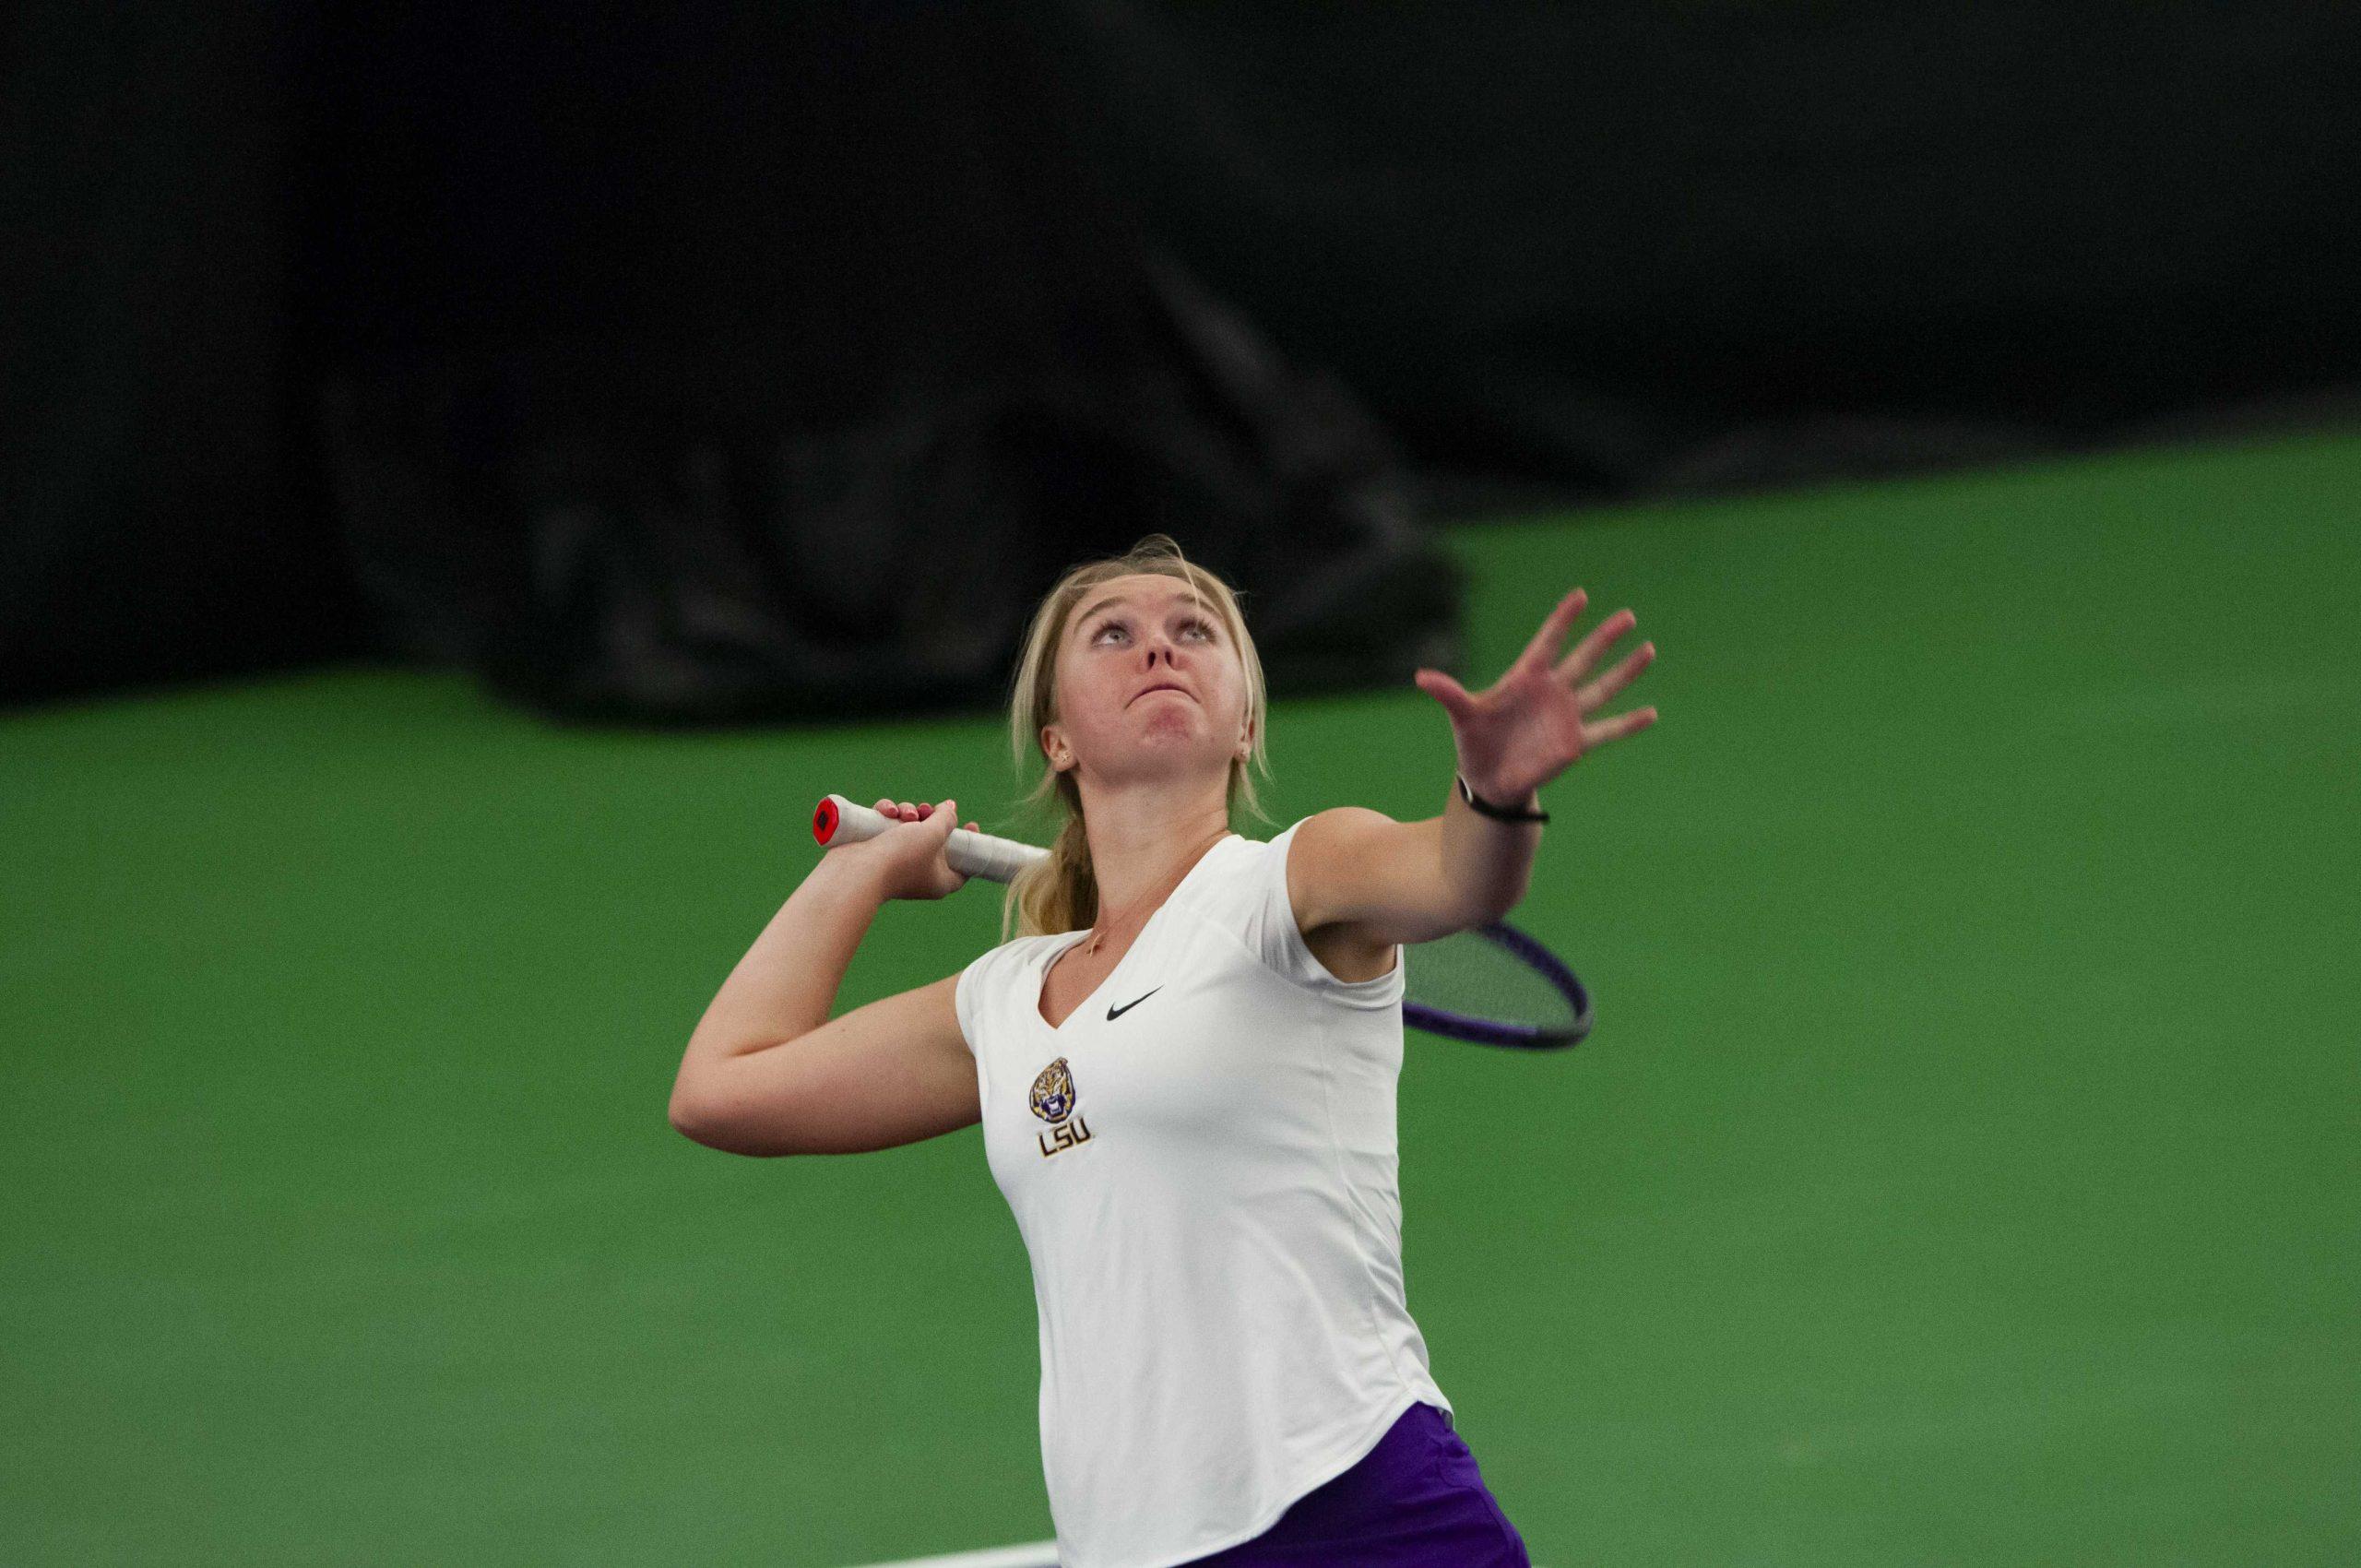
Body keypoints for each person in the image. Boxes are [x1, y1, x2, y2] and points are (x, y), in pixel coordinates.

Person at [670, 534, 1657, 1567]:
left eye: (1195, 631)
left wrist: (1494, 790)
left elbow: (1460, 879)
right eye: (1114, 634)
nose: (1160, 649)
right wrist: (857, 875)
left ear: (1243, 722)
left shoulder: (1294, 877)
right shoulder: (1001, 1003)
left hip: (1356, 1508)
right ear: (1056, 738)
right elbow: (722, 1090)